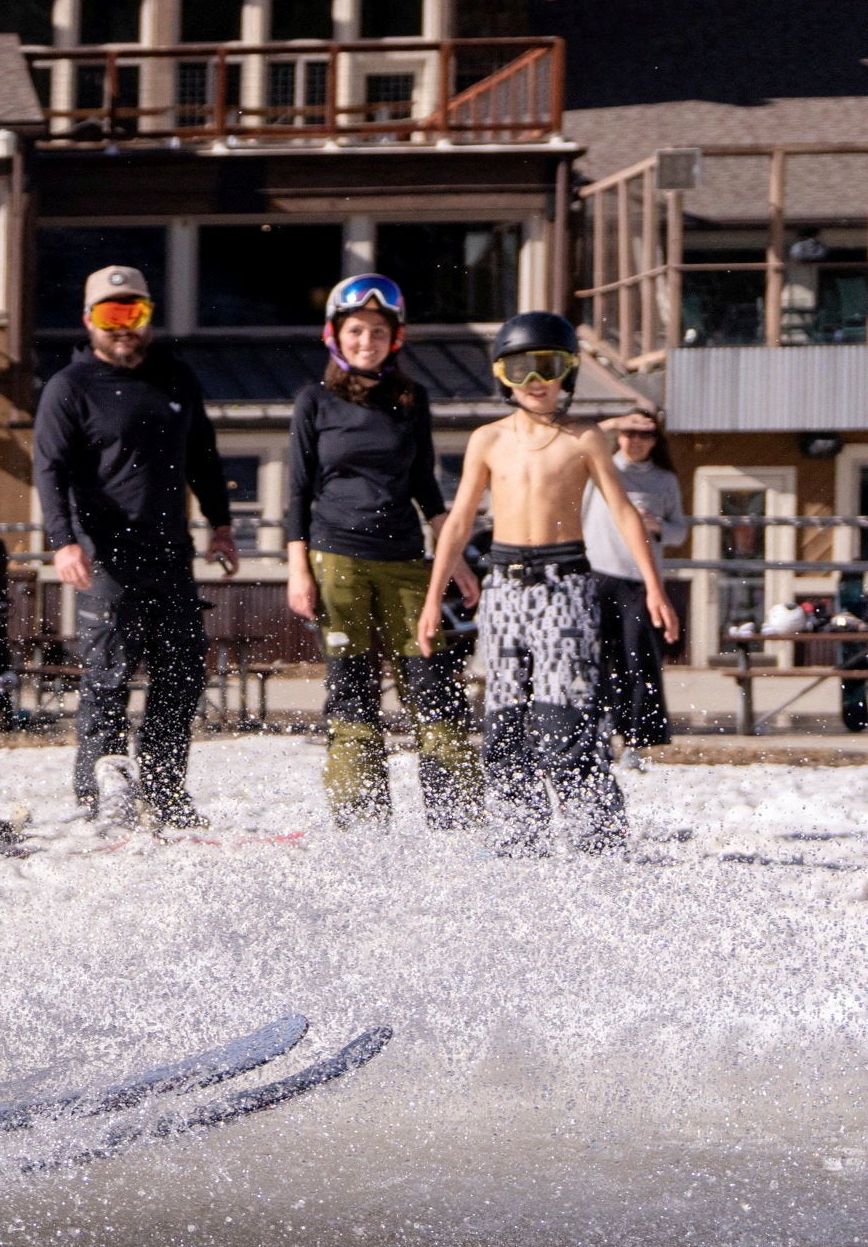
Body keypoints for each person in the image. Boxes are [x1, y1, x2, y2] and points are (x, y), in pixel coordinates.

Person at [418, 314, 679, 853]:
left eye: (549, 367)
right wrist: (431, 599)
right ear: (501, 376)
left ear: (569, 374)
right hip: (505, 587)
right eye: (521, 369)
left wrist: (653, 585)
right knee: (506, 717)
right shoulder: (488, 439)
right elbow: (460, 519)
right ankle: (519, 836)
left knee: (565, 714)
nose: (536, 381)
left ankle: (597, 837)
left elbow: (625, 512)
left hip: (565, 585)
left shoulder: (585, 438)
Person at [31, 263, 238, 826]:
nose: (123, 327)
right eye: (111, 314)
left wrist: (221, 523)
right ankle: (98, 798)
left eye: (134, 313)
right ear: (89, 320)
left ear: (148, 317)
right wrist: (63, 541)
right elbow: (48, 470)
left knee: (180, 676)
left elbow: (204, 456)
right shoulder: (68, 388)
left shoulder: (176, 379)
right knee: (108, 676)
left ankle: (166, 793)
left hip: (170, 555)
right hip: (105, 557)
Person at [282, 273, 480, 829]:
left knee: (433, 685)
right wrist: (298, 569)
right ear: (335, 336)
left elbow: (426, 486)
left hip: (404, 559)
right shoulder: (313, 402)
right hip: (335, 558)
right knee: (352, 690)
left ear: (394, 338)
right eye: (354, 331)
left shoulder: (412, 401)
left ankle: (457, 817)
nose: (365, 340)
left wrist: (454, 555)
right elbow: (296, 491)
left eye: (376, 331)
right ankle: (362, 819)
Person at [587, 407, 686, 757]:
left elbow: (679, 530)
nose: (636, 441)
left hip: (641, 581)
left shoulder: (664, 481)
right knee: (594, 658)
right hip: (598, 574)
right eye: (630, 434)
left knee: (639, 659)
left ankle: (636, 741)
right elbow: (574, 442)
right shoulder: (601, 468)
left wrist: (658, 526)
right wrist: (614, 423)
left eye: (645, 435)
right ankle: (595, 736)